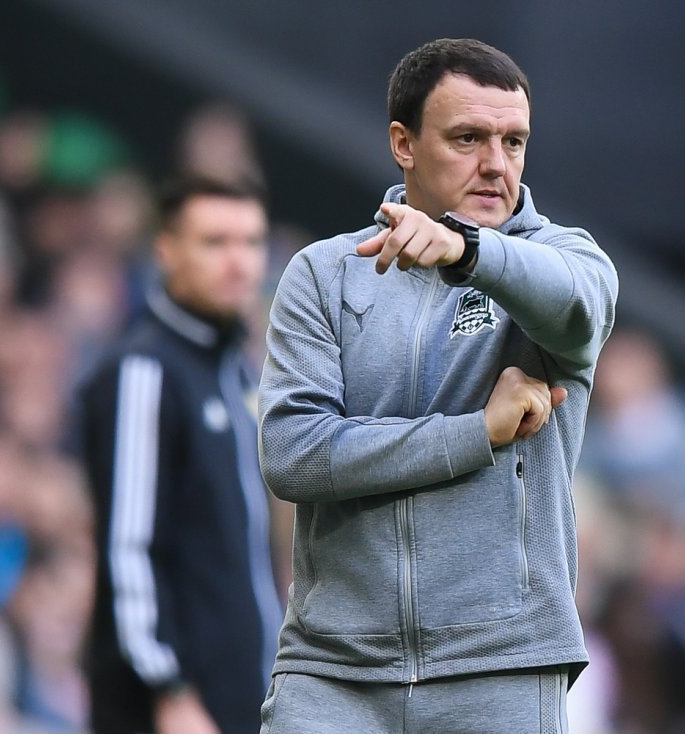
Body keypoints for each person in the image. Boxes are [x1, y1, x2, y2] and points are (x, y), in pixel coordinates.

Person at [257, 38, 619, 732]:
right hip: (332, 672)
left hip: (501, 668)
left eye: (514, 142)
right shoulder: (324, 273)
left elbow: (578, 309)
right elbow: (294, 456)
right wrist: (475, 433)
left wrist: (469, 251)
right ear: (404, 144)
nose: (496, 164)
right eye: (468, 138)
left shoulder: (565, 259)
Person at [79, 176, 283, 734]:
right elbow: (129, 547)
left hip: (241, 697)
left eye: (252, 242)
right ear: (166, 250)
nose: (239, 263)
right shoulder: (142, 371)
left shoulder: (237, 373)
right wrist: (168, 687)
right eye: (215, 242)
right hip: (173, 710)